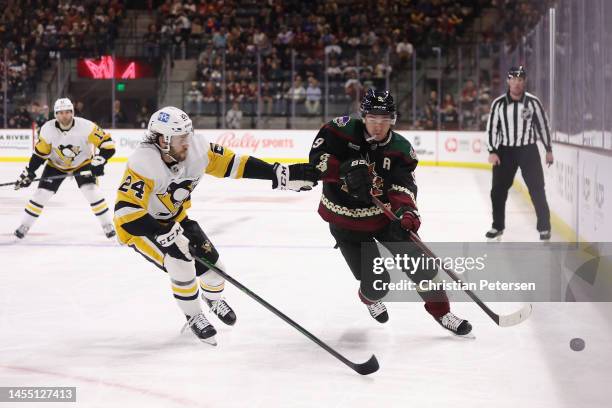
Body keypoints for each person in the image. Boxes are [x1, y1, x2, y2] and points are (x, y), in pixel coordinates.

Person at [113, 107, 319, 345]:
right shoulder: (143, 163)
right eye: (181, 138)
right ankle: (194, 316)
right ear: (163, 140)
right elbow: (125, 212)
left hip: (176, 219)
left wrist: (278, 173)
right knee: (180, 264)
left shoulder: (198, 150)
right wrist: (162, 233)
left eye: (188, 136)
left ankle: (212, 299)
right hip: (141, 227)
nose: (187, 143)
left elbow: (236, 163)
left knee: (215, 269)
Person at [308, 89, 472, 336]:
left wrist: (406, 211)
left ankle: (443, 312)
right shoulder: (339, 131)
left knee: (423, 267)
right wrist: (344, 169)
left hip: (384, 217)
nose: (378, 125)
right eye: (373, 118)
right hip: (346, 223)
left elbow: (403, 184)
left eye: (385, 119)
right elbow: (317, 159)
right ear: (363, 116)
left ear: (393, 119)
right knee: (377, 285)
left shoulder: (400, 148)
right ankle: (371, 298)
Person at [13, 98, 116, 239]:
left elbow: (108, 144)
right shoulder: (47, 129)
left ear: (72, 112)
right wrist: (30, 172)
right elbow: (40, 154)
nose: (64, 115)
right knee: (41, 194)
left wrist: (100, 161)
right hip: (56, 165)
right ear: (55, 114)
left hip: (82, 164)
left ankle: (107, 225)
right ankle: (24, 225)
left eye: (67, 112)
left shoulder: (87, 126)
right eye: (60, 113)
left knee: (92, 192)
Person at [485, 66, 553, 241]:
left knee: (537, 189)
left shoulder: (533, 102)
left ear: (524, 82)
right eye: (513, 79)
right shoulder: (498, 103)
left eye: (520, 80)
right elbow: (492, 128)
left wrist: (548, 149)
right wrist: (492, 150)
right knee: (497, 191)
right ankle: (497, 226)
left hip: (528, 150)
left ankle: (544, 227)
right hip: (505, 151)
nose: (517, 83)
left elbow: (543, 126)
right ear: (508, 81)